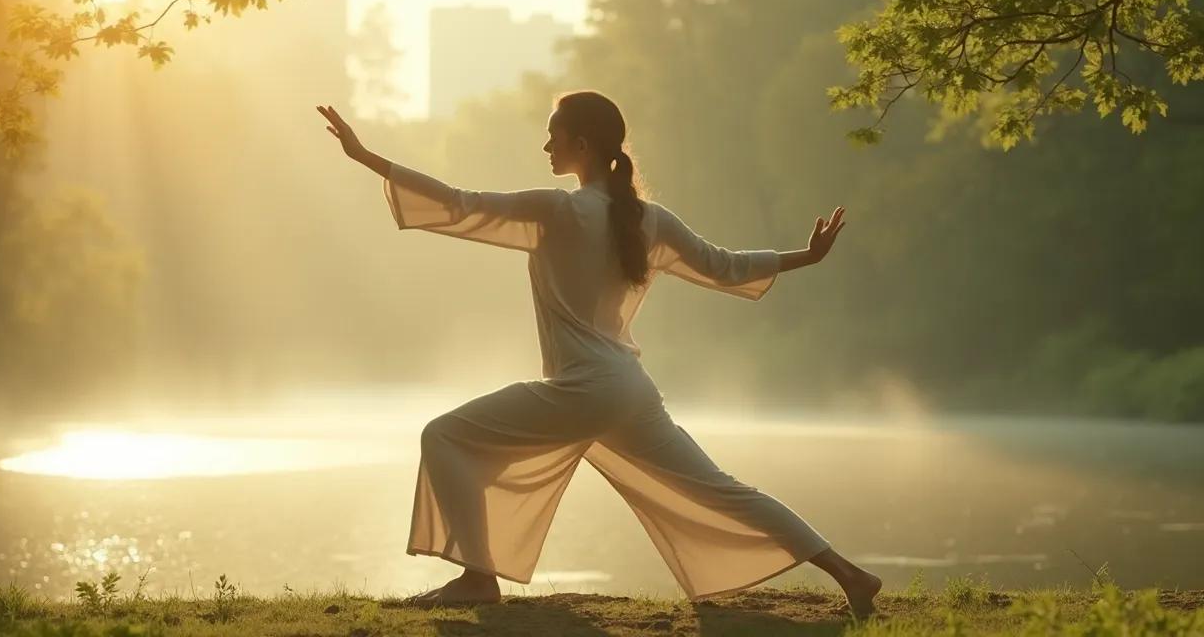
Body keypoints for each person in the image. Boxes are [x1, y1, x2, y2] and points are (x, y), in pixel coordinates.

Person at [316, 91, 882, 618]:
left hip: (585, 388)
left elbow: (459, 204)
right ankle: (850, 574)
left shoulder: (556, 210)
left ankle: (477, 578)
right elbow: (724, 265)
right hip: (631, 391)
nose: (545, 147)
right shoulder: (649, 219)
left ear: (581, 144)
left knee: (445, 436)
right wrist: (805, 258)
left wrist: (367, 157)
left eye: (552, 135)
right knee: (721, 489)